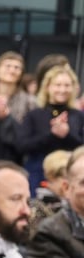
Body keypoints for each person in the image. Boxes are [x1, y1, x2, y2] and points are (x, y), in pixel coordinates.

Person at [18, 64, 84, 196]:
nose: (62, 89)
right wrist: (51, 134)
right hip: (38, 175)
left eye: (66, 85)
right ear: (48, 87)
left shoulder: (78, 115)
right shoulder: (34, 114)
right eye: (58, 85)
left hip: (70, 177)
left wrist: (66, 135)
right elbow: (22, 146)